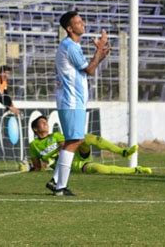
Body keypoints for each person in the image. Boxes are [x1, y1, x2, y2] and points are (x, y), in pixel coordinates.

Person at [52, 11, 111, 196]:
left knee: (73, 140)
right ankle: (60, 186)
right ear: (70, 28)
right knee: (75, 140)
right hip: (71, 101)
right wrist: (99, 52)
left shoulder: (72, 46)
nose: (82, 23)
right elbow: (90, 70)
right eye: (78, 22)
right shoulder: (70, 46)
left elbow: (87, 70)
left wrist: (100, 55)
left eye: (81, 20)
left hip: (73, 100)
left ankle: (55, 181)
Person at [29, 115, 152, 191]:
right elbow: (38, 167)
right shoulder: (33, 145)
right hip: (75, 165)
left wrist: (49, 157)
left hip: (76, 154)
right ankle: (136, 170)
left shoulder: (55, 136)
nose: (46, 123)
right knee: (100, 168)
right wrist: (33, 167)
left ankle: (123, 151)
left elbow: (64, 147)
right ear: (35, 129)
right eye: (42, 122)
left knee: (88, 138)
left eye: (46, 121)